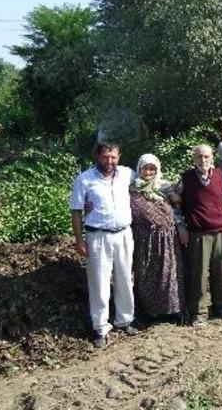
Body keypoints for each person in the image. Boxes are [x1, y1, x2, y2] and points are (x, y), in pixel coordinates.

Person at [70, 141, 139, 348]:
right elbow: (76, 211)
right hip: (98, 236)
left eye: (113, 157)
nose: (110, 161)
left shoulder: (127, 174)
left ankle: (124, 320)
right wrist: (79, 241)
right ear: (98, 156)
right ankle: (100, 327)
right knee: (99, 283)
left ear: (119, 157)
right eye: (105, 157)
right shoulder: (85, 179)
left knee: (125, 277)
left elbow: (148, 181)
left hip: (124, 233)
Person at [176, 145, 222, 327]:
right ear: (194, 158)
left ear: (212, 158)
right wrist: (180, 225)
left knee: (221, 271)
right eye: (199, 156)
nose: (203, 160)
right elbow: (175, 203)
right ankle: (198, 311)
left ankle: (221, 304)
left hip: (220, 230)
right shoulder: (185, 179)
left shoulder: (221, 175)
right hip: (197, 233)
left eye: (206, 156)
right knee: (199, 274)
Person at [129, 154, 183, 320]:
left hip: (167, 237)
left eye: (153, 168)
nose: (149, 171)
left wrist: (181, 226)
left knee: (168, 273)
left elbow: (178, 205)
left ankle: (172, 310)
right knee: (145, 273)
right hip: (143, 238)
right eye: (146, 167)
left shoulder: (165, 186)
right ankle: (149, 311)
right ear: (139, 169)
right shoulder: (132, 188)